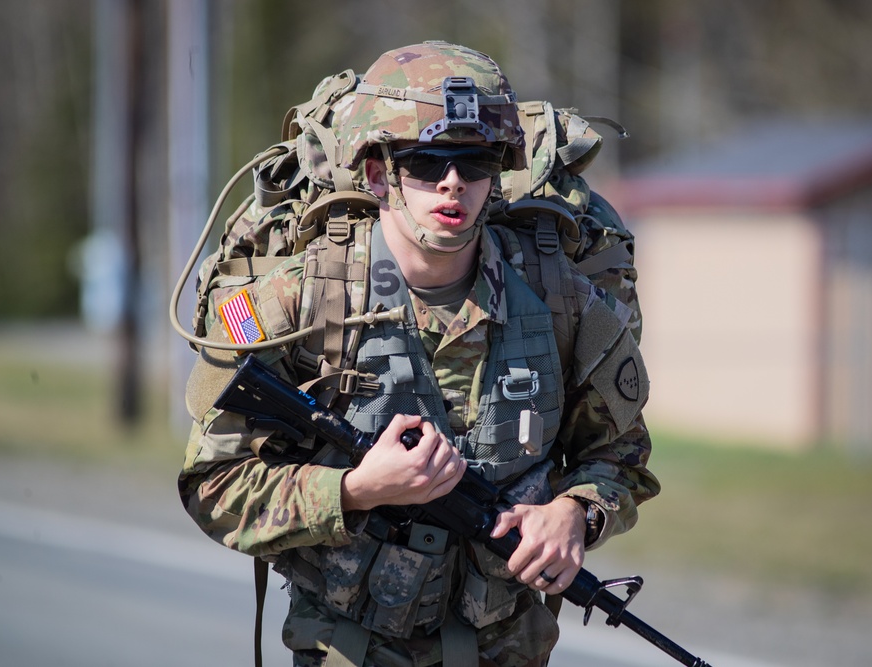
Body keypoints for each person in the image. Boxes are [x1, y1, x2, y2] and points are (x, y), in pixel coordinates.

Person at [179, 41, 660, 667]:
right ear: (378, 173)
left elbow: (622, 454)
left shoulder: (561, 301)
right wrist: (353, 490)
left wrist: (576, 513)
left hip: (508, 651)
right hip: (348, 649)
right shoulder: (299, 304)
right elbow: (212, 485)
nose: (453, 182)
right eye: (426, 162)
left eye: (476, 160)